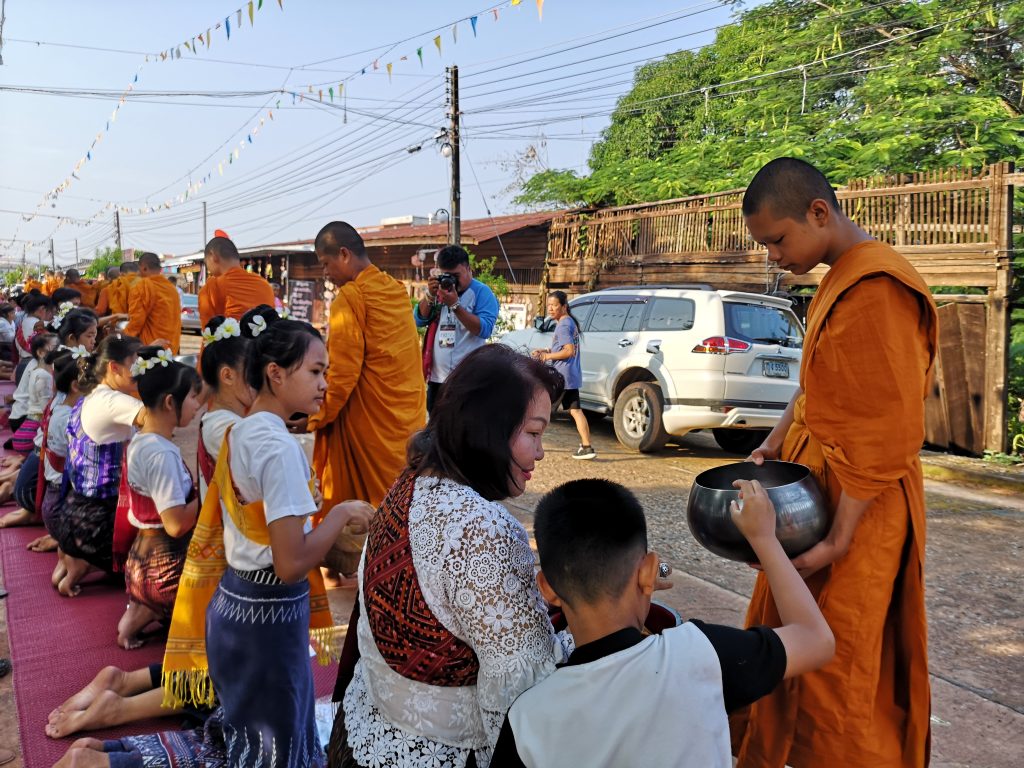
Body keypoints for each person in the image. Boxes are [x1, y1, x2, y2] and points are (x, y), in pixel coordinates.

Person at [731, 157, 936, 767]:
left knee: (843, 665)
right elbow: (812, 387)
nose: (772, 256)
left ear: (819, 213)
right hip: (820, 494)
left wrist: (840, 539)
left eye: (776, 240)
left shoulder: (877, 288)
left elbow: (886, 430)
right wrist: (774, 439)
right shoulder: (837, 278)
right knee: (794, 641)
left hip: (861, 510)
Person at [328, 343, 574, 768]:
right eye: (533, 433)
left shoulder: (412, 480)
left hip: (359, 736)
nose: (541, 452)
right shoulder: (485, 529)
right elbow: (523, 687)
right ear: (488, 429)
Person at [489, 478, 835, 768]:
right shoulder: (699, 655)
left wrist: (650, 573)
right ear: (646, 572)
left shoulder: (528, 718)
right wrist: (764, 540)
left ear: (548, 588)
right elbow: (816, 638)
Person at [159, 308, 374, 768]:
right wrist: (339, 515)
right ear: (275, 374)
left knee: (245, 738)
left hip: (237, 603)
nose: (323, 384)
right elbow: (291, 563)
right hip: (268, 618)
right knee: (272, 752)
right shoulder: (278, 448)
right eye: (315, 371)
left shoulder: (243, 432)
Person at [305, 222, 426, 578]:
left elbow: (342, 374)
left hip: (367, 421)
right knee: (396, 498)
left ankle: (362, 565)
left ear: (344, 254)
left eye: (326, 264)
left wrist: (316, 415)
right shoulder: (394, 289)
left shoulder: (351, 298)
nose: (326, 274)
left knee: (360, 495)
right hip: (404, 418)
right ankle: (392, 564)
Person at [115, 348, 202, 650]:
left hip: (141, 560)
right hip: (164, 567)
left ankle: (141, 612)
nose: (197, 405)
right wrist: (210, 495)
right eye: (192, 397)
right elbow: (176, 524)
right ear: (169, 402)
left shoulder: (142, 439)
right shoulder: (160, 454)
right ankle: (151, 607)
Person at [52, 335, 144, 597]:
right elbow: (161, 416)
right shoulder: (112, 402)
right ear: (114, 368)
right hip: (94, 522)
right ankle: (83, 560)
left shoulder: (93, 395)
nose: (141, 371)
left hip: (73, 511)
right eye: (137, 364)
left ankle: (72, 555)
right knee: (154, 566)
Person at [414, 244, 499, 413]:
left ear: (468, 269)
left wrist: (455, 305)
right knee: (436, 431)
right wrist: (430, 295)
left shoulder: (482, 292)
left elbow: (484, 329)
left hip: (468, 380)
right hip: (438, 378)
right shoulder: (439, 291)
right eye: (446, 275)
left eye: (456, 275)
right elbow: (419, 319)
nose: (451, 280)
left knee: (464, 430)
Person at [35, 350, 84, 577]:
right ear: (76, 386)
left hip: (52, 502)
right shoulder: (70, 418)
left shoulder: (60, 407)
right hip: (60, 508)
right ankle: (69, 558)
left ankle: (64, 551)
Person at [531, 290, 595, 460]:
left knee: (541, 410)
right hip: (571, 376)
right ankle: (587, 447)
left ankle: (532, 446)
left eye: (554, 305)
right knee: (576, 411)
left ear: (564, 306)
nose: (550, 309)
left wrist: (547, 357)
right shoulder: (568, 322)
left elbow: (569, 351)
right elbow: (563, 348)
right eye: (548, 306)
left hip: (561, 377)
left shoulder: (564, 325)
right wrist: (546, 350)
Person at [197, 314, 254, 502]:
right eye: (252, 372)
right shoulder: (226, 427)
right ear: (228, 376)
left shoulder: (222, 421)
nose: (259, 382)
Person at [198, 235, 275, 327]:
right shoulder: (264, 284)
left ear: (213, 256)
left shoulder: (212, 286)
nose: (208, 267)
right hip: (265, 340)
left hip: (230, 340)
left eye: (206, 262)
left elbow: (209, 332)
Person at [124, 252, 181, 353]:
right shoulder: (172, 289)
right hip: (171, 348)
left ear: (144, 268)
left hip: (150, 349)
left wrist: (123, 339)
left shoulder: (142, 286)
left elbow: (136, 322)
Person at [14, 294, 54, 383]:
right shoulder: (41, 324)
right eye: (50, 312)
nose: (51, 315)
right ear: (42, 309)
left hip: (23, 367)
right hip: (33, 369)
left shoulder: (25, 322)